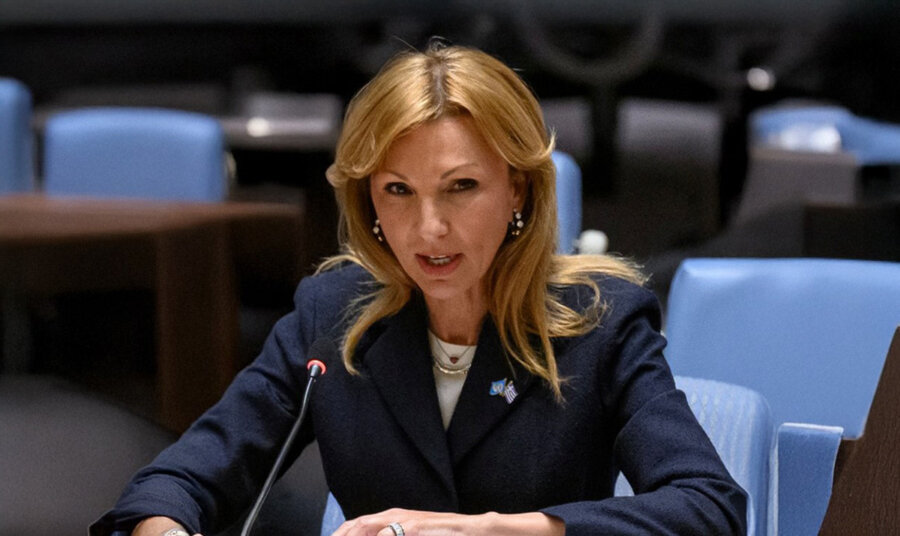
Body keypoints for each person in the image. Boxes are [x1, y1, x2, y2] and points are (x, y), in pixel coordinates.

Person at [91, 41, 746, 536]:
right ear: (369, 201)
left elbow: (708, 508)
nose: (429, 228)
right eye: (399, 190)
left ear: (517, 189)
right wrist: (165, 527)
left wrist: (501, 531)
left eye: (461, 187)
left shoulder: (602, 323)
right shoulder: (333, 316)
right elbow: (178, 481)